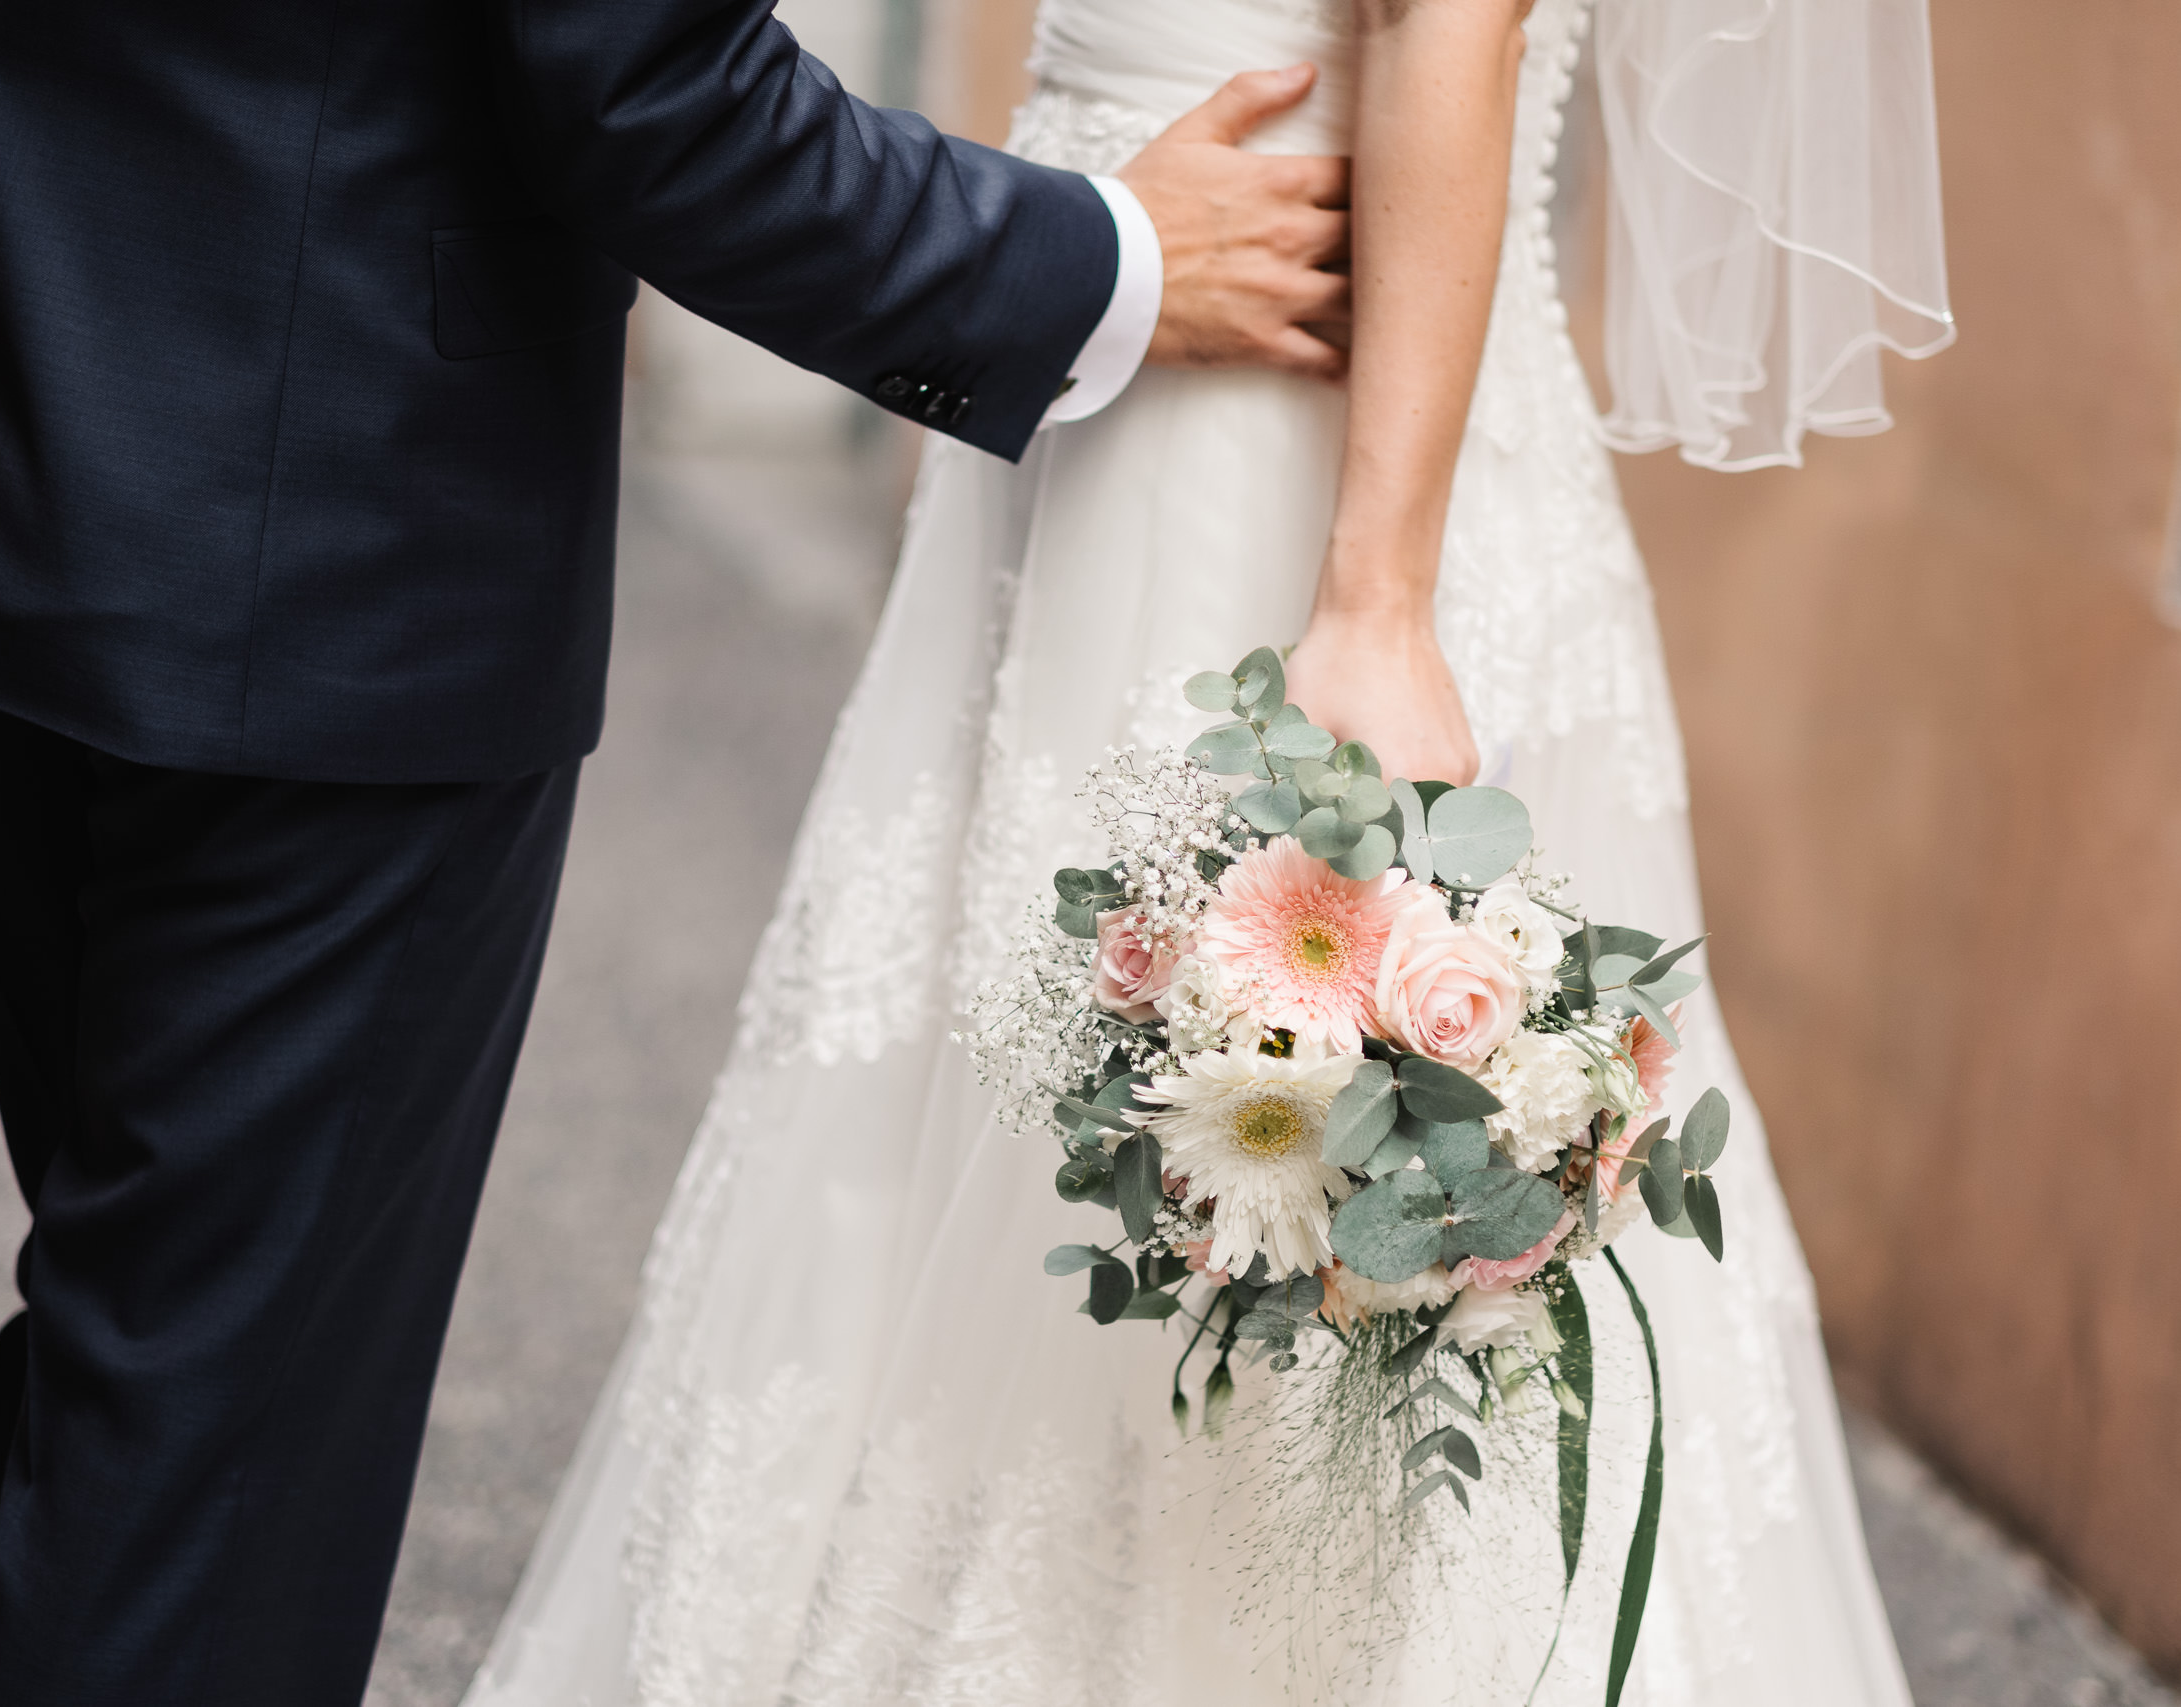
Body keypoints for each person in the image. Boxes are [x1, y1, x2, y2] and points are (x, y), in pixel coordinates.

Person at [0, 0, 1360, 1697]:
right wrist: (1101, 265)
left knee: (144, 1325)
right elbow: (650, 86)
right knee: (220, 1416)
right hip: (327, 532)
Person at [464, 0, 1955, 1702]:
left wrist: (1380, 601)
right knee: (997, 1077)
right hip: (1128, 361)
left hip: (1287, 427)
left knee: (1260, 1147)